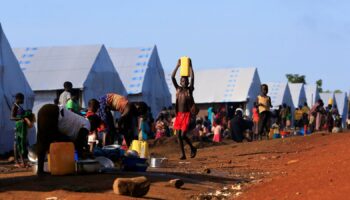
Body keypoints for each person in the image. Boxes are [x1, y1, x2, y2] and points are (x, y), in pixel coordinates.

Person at [36, 104, 100, 175]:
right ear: (94, 124)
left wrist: (83, 148)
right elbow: (79, 142)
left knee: (42, 140)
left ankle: (40, 170)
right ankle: (48, 170)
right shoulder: (87, 124)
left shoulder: (82, 120)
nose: (94, 130)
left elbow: (78, 141)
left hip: (46, 110)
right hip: (53, 113)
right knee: (48, 140)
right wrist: (85, 153)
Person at [172, 58, 197, 160]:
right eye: (182, 80)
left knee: (182, 135)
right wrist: (178, 66)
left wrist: (190, 67)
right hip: (179, 115)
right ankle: (182, 154)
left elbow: (193, 79)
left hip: (186, 115)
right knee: (178, 135)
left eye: (186, 80)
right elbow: (172, 77)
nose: (184, 82)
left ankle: (192, 148)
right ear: (180, 82)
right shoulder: (178, 89)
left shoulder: (189, 90)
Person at [10, 93, 35, 168]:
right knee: (17, 144)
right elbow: (11, 117)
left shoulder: (19, 106)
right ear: (18, 98)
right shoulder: (14, 106)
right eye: (22, 99)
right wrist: (21, 118)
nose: (23, 100)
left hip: (21, 127)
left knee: (18, 144)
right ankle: (17, 161)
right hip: (18, 127)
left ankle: (20, 160)